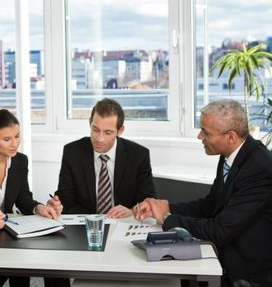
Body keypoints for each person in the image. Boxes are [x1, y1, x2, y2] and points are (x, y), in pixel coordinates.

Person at [136, 99, 272, 287]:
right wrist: (168, 207)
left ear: (231, 137)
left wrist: (167, 218)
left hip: (247, 274)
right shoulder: (229, 155)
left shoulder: (259, 168)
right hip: (224, 258)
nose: (200, 136)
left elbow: (220, 230)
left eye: (206, 132)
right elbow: (211, 205)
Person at [0, 109, 68, 287]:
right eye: (7, 139)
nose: (15, 144)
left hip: (9, 229)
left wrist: (40, 208)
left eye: (17, 136)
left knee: (27, 265)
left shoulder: (20, 161)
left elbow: (24, 200)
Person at [52, 98, 156, 218]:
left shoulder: (138, 155)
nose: (99, 139)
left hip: (124, 223)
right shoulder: (72, 152)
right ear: (90, 123)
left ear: (120, 130)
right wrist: (57, 204)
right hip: (86, 226)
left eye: (108, 133)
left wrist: (131, 211)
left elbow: (149, 201)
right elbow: (65, 199)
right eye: (95, 130)